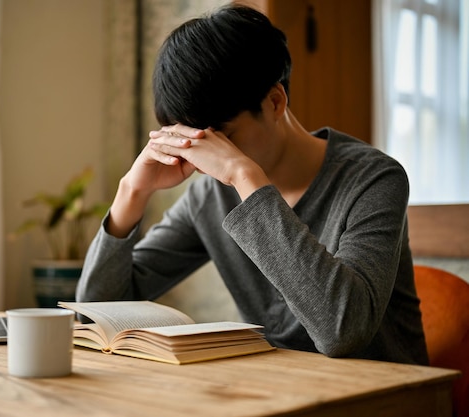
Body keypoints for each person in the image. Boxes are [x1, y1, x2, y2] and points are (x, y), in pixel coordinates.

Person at [76, 4, 428, 365]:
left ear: (275, 101)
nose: (207, 159)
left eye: (221, 138)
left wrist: (246, 178)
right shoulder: (209, 196)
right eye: (192, 141)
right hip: (280, 394)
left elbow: (342, 331)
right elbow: (95, 316)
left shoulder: (374, 179)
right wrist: (131, 192)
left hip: (387, 397)